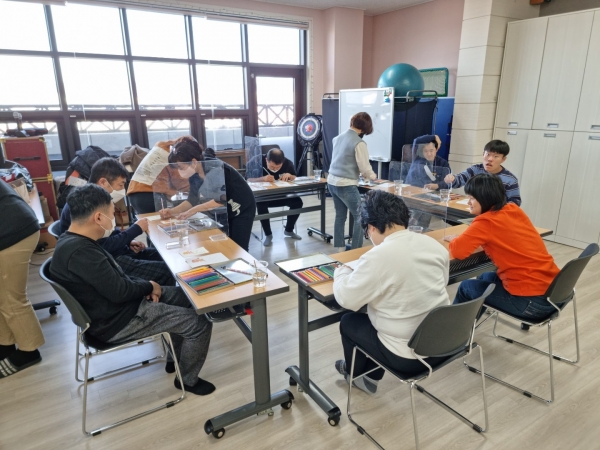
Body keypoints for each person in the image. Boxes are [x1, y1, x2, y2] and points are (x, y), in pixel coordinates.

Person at [49, 184, 214, 395]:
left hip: (115, 307)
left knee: (189, 298)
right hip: (118, 320)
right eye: (112, 214)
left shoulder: (75, 241)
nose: (114, 219)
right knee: (199, 322)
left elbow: (117, 280)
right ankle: (188, 380)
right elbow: (120, 291)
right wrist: (150, 286)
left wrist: (146, 286)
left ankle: (175, 358)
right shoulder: (81, 252)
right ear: (98, 218)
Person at [333, 190, 450, 394]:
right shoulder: (434, 245)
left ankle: (358, 377)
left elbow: (346, 299)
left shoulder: (378, 256)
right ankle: (368, 374)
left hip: (409, 357)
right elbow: (443, 281)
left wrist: (341, 271)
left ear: (371, 228)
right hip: (442, 343)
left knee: (349, 321)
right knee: (378, 313)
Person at [446, 173, 560, 320]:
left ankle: (454, 333)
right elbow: (504, 238)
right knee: (486, 276)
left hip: (532, 303)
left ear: (485, 198)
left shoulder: (485, 222)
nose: (468, 202)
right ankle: (469, 327)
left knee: (466, 287)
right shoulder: (513, 209)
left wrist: (456, 239)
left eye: (472, 198)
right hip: (553, 293)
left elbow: (458, 251)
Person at [58, 158, 174, 286]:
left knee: (166, 255)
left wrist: (128, 241)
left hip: (117, 251)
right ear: (103, 182)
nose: (123, 190)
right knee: (168, 270)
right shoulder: (88, 205)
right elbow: (103, 246)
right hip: (110, 260)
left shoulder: (93, 198)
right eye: (120, 185)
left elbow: (108, 234)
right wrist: (135, 230)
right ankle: (159, 294)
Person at [159, 138, 256, 252]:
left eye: (181, 168)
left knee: (239, 247)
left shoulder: (215, 168)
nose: (180, 172)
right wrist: (172, 211)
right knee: (225, 245)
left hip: (242, 208)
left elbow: (219, 200)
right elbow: (192, 199)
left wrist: (193, 210)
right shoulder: (194, 174)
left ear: (194, 162)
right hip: (224, 211)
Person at [0, 181, 45, 377]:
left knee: (11, 298)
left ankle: (29, 351)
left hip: (12, 232)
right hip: (13, 225)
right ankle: (5, 344)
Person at [328, 112, 378, 250]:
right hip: (346, 184)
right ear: (366, 127)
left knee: (340, 216)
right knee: (360, 216)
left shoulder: (337, 138)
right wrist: (373, 177)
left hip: (331, 181)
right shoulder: (359, 143)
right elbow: (364, 167)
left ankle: (340, 248)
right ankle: (356, 250)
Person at [247, 148, 303, 246]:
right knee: (261, 205)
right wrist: (262, 179)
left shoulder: (287, 163)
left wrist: (290, 175)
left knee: (298, 203)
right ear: (266, 160)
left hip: (282, 194)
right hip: (264, 195)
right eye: (272, 167)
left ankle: (289, 230)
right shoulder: (255, 161)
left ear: (282, 161)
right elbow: (247, 179)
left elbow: (295, 177)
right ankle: (268, 234)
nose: (274, 169)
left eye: (278, 167)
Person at [444, 140, 521, 206]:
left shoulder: (510, 179)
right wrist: (452, 179)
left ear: (503, 159)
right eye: (488, 154)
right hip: (473, 209)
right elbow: (459, 180)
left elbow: (515, 203)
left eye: (496, 156)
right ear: (483, 154)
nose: (490, 159)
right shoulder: (476, 170)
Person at [127, 138, 191, 214]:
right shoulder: (175, 156)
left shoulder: (161, 145)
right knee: (167, 218)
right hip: (150, 195)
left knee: (148, 220)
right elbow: (181, 183)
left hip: (133, 193)